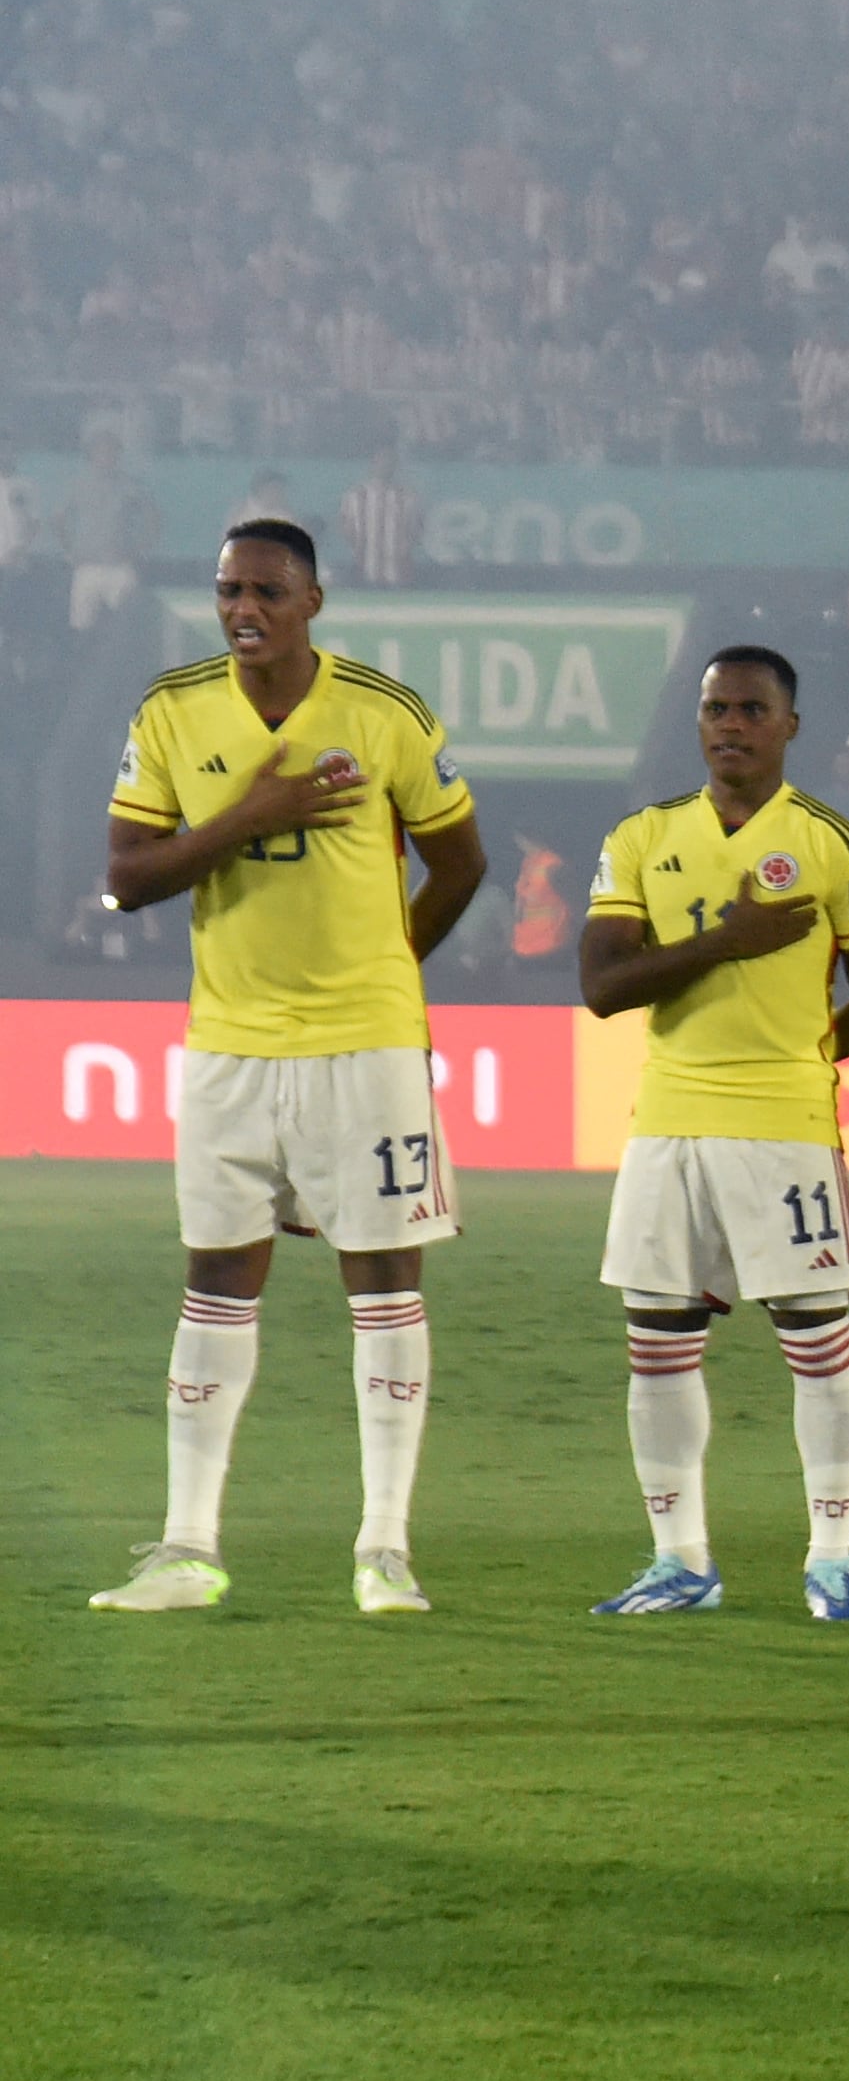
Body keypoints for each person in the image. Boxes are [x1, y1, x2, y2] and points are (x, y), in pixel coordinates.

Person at [90, 519, 489, 1615]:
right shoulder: (173, 710)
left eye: (264, 588)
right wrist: (249, 814)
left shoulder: (383, 711)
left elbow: (462, 859)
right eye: (226, 589)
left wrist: (389, 962)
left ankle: (384, 1548)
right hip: (229, 1046)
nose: (241, 607)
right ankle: (185, 1547)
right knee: (216, 1280)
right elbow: (125, 878)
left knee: (384, 1278)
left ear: (314, 599)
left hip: (365, 1047)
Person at [574, 648, 849, 1618]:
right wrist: (723, 940)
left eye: (751, 709)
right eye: (715, 707)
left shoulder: (835, 843)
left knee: (815, 1340)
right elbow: (601, 987)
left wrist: (804, 1059)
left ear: (789, 725)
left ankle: (832, 1558)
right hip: (667, 1122)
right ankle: (680, 1559)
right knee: (657, 1345)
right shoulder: (644, 836)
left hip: (783, 1130)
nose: (730, 723)